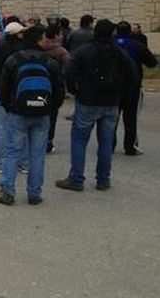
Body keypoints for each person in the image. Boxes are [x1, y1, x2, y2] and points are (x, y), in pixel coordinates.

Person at [56, 19, 135, 192]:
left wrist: (74, 89)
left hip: (87, 100)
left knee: (79, 140)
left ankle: (76, 178)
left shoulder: (84, 51)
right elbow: (132, 75)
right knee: (106, 142)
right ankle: (103, 179)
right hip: (111, 101)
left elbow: (68, 71)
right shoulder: (120, 53)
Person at [0, 26, 64, 206]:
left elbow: (3, 87)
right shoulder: (50, 61)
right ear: (40, 40)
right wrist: (51, 107)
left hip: (18, 111)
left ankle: (7, 190)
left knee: (13, 151)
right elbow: (59, 90)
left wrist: (9, 106)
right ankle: (34, 193)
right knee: (37, 154)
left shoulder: (14, 60)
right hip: (42, 113)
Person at [0, 21, 28, 173]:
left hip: (3, 93)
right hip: (21, 93)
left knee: (2, 128)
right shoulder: (25, 49)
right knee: (22, 129)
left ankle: (1, 162)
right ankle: (23, 163)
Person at [114, 21, 157, 155]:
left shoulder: (109, 45)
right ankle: (130, 146)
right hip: (133, 85)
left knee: (111, 117)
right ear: (130, 32)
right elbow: (152, 62)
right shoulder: (136, 46)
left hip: (113, 86)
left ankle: (108, 144)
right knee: (131, 117)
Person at [39, 24, 70, 153]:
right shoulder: (61, 52)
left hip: (38, 85)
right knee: (51, 116)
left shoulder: (39, 47)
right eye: (61, 33)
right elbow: (68, 69)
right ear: (56, 35)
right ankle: (47, 141)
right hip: (54, 87)